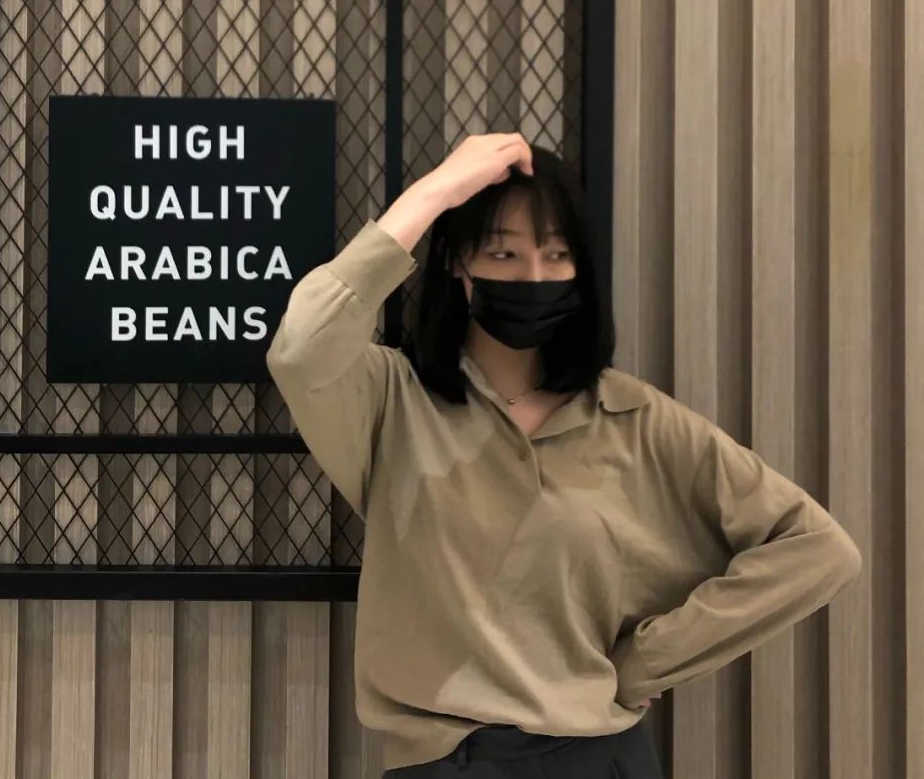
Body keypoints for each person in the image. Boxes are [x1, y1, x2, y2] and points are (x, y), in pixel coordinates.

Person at [265, 132, 862, 778]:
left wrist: (646, 662)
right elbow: (301, 348)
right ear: (457, 264)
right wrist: (436, 193)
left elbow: (817, 550)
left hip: (600, 755)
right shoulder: (392, 402)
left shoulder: (634, 419)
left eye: (556, 255)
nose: (533, 276)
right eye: (503, 252)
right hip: (448, 759)